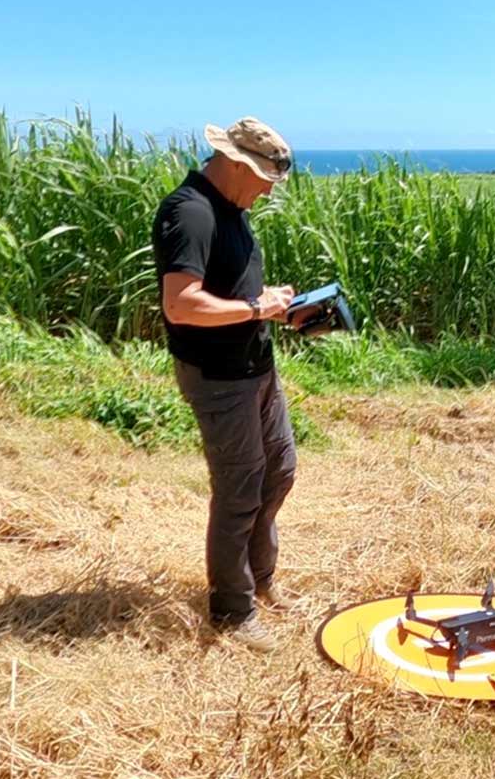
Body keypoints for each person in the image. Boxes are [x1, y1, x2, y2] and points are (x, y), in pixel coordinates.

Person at [152, 116, 308, 653]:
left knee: (279, 472)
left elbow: (232, 290)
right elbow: (181, 302)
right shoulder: (190, 213)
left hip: (255, 367)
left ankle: (261, 580)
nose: (268, 189)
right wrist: (254, 307)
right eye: (265, 178)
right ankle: (233, 612)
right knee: (240, 491)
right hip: (219, 379)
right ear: (238, 164)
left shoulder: (233, 210)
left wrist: (278, 311)